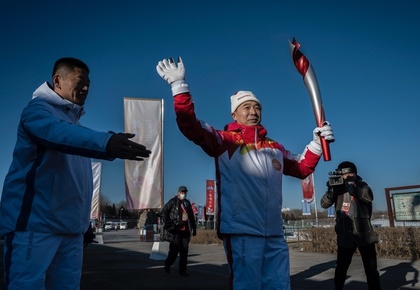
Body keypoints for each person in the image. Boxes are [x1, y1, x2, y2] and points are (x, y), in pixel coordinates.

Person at [156, 57, 335, 290]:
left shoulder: (275, 147)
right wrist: (179, 88)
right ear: (234, 114)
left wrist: (316, 145)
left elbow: (302, 168)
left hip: (274, 232)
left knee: (279, 285)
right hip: (241, 230)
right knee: (247, 285)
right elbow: (190, 126)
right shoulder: (225, 140)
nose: (253, 111)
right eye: (247, 107)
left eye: (257, 106)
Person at [0, 57, 151, 290]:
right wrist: (106, 142)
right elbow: (57, 134)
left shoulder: (75, 127)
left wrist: (84, 224)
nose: (86, 88)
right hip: (35, 228)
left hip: (71, 233)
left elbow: (76, 184)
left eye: (89, 83)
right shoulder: (37, 111)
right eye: (80, 80)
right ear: (57, 80)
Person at [320, 161, 381, 290]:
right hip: (345, 234)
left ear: (353, 173)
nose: (344, 177)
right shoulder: (338, 188)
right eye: (342, 174)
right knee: (341, 268)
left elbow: (368, 198)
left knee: (371, 269)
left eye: (347, 174)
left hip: (364, 234)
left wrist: (351, 188)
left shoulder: (362, 186)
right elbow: (324, 204)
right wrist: (332, 191)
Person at [160, 186, 197, 277]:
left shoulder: (187, 203)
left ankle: (182, 270)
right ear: (178, 192)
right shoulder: (172, 201)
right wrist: (168, 223)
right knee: (174, 250)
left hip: (185, 231)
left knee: (184, 251)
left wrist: (194, 228)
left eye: (185, 192)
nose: (183, 194)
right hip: (175, 230)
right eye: (182, 192)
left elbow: (191, 217)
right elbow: (164, 212)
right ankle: (168, 264)